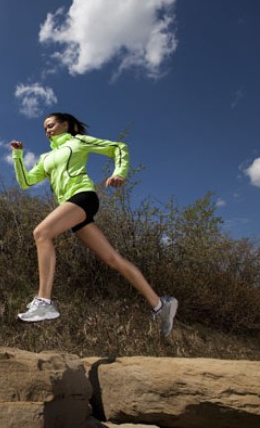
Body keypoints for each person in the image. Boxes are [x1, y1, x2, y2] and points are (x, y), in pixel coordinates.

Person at [10, 112, 178, 337]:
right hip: (73, 209)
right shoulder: (45, 158)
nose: (47, 130)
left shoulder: (77, 141)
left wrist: (119, 173)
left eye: (50, 125)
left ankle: (44, 301)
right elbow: (26, 182)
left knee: (41, 233)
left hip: (83, 197)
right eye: (44, 128)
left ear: (66, 124)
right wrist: (18, 156)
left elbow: (118, 148)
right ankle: (160, 304)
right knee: (113, 259)